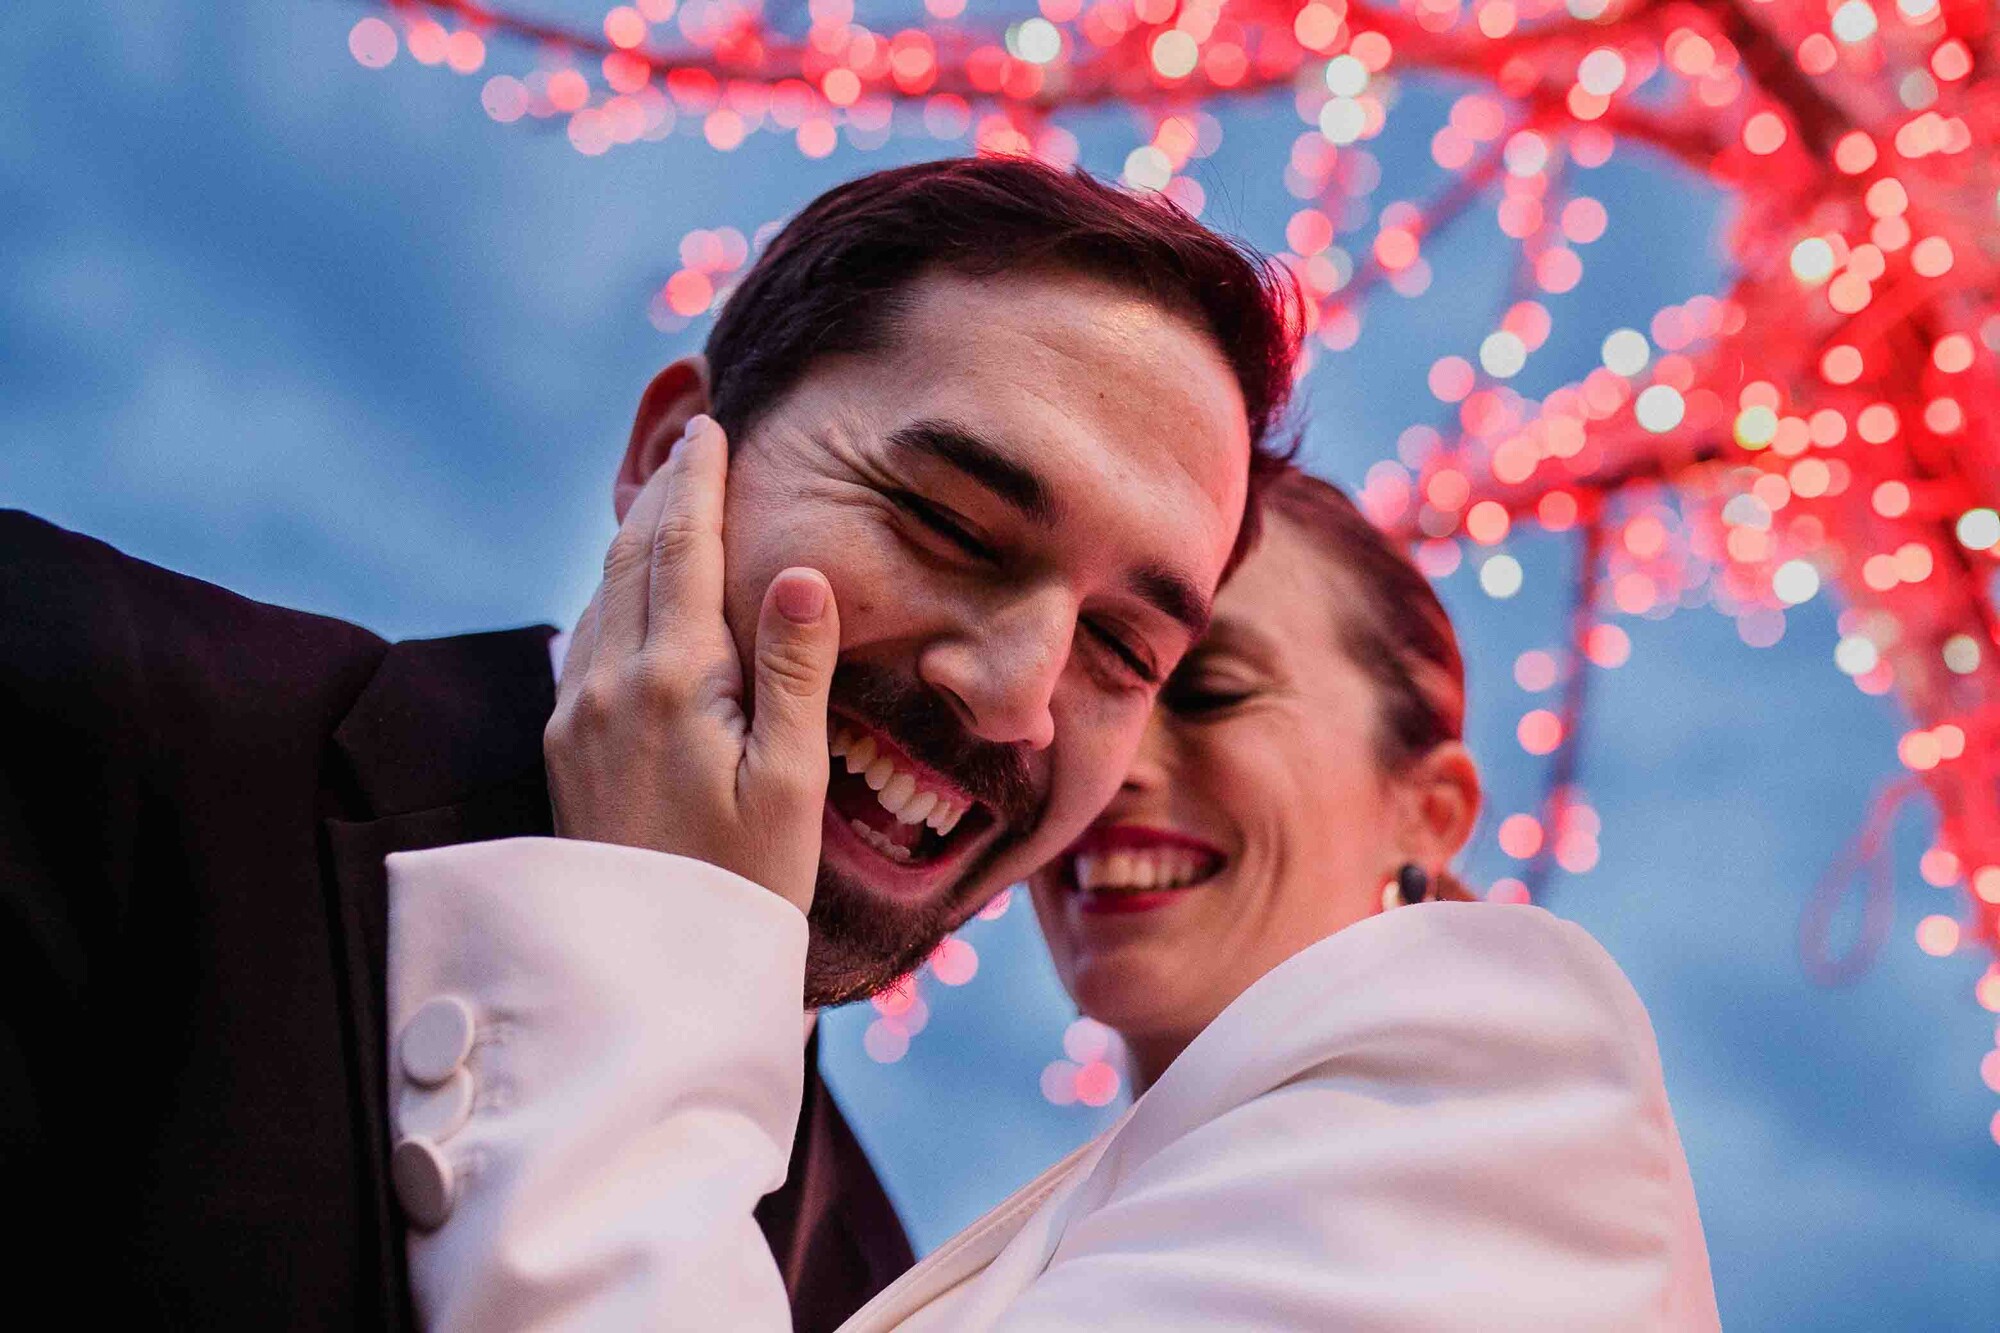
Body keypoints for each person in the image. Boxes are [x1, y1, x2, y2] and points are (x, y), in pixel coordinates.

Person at [0, 156, 1299, 1329]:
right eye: (949, 524)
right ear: (674, 454)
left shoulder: (871, 1280)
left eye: (1124, 651)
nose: (1019, 697)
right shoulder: (71, 697)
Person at [391, 467, 1719, 1329]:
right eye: (1109, 683)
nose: (1109, 762)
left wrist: (655, 932)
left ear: (1427, 809)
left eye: (1202, 686)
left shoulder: (1503, 1073)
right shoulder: (1077, 1210)